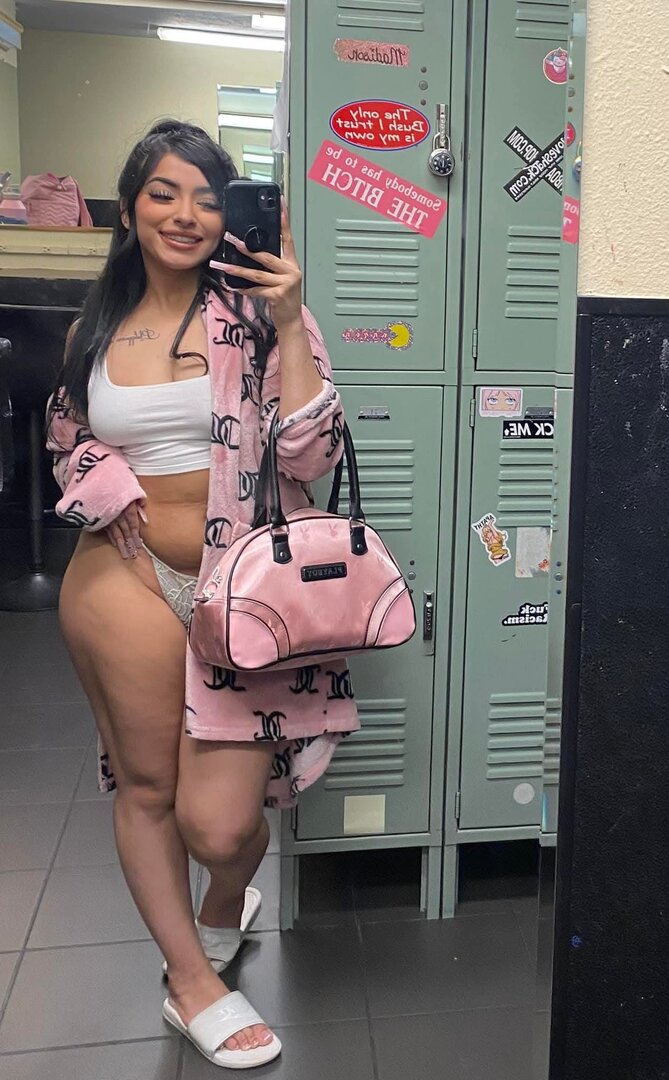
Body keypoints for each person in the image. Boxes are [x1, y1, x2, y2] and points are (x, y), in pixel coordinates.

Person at [45, 120, 358, 1070]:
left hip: (246, 591)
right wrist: (100, 474)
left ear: (231, 216)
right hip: (124, 577)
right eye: (163, 193)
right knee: (148, 788)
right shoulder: (94, 328)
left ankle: (223, 901)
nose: (185, 214)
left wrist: (292, 315)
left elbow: (312, 453)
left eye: (208, 198)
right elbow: (68, 435)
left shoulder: (259, 315)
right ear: (128, 208)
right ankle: (190, 981)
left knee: (221, 826)